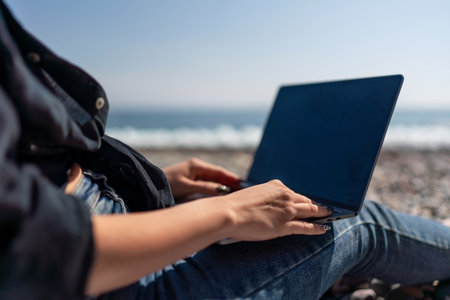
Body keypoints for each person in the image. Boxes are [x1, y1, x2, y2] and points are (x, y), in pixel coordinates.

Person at [0, 2, 448, 299]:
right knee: (355, 222)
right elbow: (39, 251)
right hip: (123, 277)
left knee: (304, 211)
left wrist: (152, 184)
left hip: (112, 229)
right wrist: (227, 215)